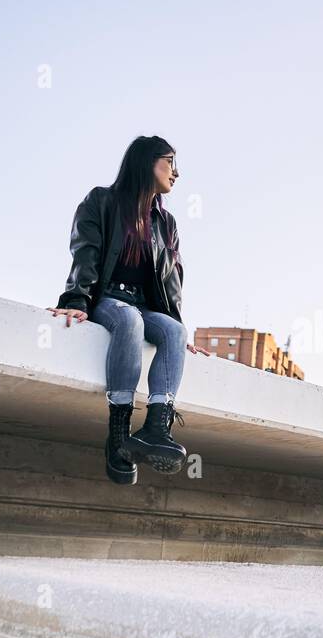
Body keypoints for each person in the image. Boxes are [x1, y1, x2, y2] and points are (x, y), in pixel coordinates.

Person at [47, 135, 208, 484]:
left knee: (174, 334)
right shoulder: (102, 201)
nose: (176, 173)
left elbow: (172, 281)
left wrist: (176, 324)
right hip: (107, 299)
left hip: (144, 305)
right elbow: (85, 251)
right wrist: (76, 300)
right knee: (128, 318)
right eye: (170, 163)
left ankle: (155, 428)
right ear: (146, 162)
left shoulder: (166, 224)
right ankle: (118, 432)